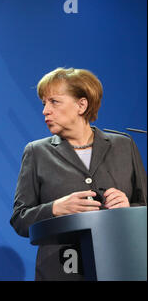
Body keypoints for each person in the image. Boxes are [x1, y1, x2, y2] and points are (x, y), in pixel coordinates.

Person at [10, 67, 146, 281]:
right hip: (60, 271)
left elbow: (144, 208)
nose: (45, 110)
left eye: (54, 102)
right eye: (43, 103)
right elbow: (20, 220)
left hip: (120, 267)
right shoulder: (36, 152)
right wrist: (55, 208)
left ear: (82, 105)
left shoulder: (124, 145)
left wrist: (128, 208)